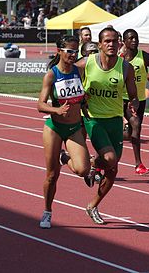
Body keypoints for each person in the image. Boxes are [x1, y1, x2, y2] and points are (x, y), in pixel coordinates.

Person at [75, 27, 138, 224]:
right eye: (107, 41)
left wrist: (132, 107)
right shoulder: (87, 63)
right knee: (110, 158)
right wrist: (79, 97)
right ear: (100, 44)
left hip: (115, 120)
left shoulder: (125, 67)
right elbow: (66, 76)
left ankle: (92, 205)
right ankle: (92, 164)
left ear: (119, 43)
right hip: (93, 118)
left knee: (113, 169)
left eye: (114, 41)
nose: (111, 44)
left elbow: (133, 96)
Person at [37, 35, 91, 229]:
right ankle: (47, 211)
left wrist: (85, 101)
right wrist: (56, 110)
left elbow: (82, 96)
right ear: (59, 51)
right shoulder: (51, 75)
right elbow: (40, 105)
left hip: (75, 126)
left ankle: (64, 158)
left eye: (76, 51)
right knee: (52, 176)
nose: (73, 55)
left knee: (83, 169)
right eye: (69, 51)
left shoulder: (79, 70)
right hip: (55, 128)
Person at [122, 29, 149, 175]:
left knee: (133, 132)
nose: (134, 41)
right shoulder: (120, 58)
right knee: (136, 124)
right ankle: (138, 164)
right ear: (124, 41)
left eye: (136, 38)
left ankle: (119, 136)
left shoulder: (145, 57)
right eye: (130, 38)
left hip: (140, 100)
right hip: (123, 99)